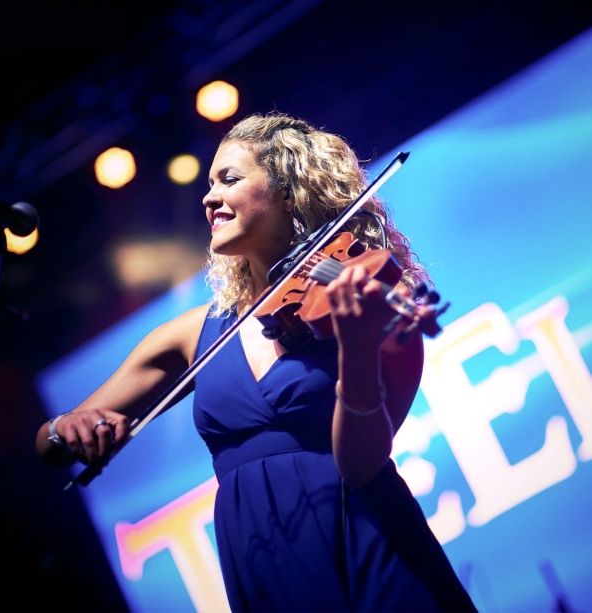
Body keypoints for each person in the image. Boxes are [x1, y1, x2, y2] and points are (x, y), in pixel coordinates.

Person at [35, 113, 476, 611]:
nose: (207, 197)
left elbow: (359, 465)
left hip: (369, 542)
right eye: (208, 184)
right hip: (261, 556)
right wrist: (65, 429)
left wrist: (356, 346)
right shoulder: (192, 335)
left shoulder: (370, 303)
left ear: (288, 191)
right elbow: (48, 446)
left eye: (229, 179)